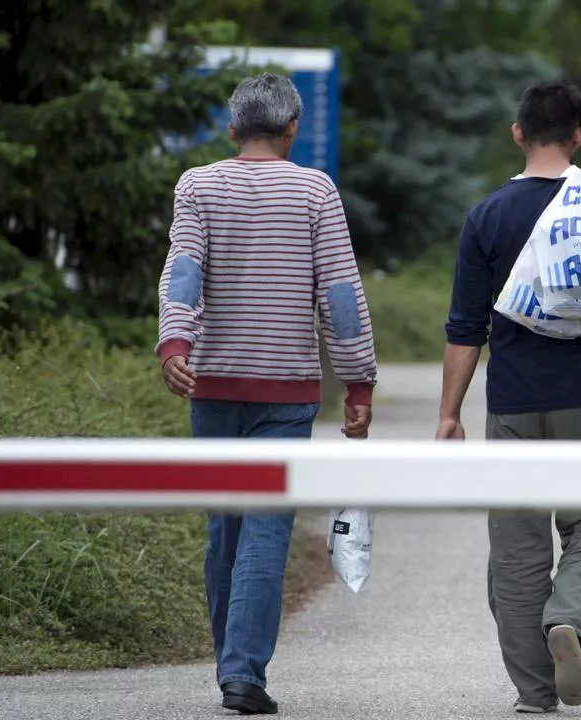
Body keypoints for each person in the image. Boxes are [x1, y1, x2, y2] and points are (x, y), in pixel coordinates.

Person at [156, 72, 377, 715]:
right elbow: (339, 292)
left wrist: (176, 344)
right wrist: (358, 379)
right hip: (286, 389)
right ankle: (242, 672)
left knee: (224, 524)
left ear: (231, 130)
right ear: (291, 130)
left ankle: (233, 662)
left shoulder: (197, 185)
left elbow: (185, 267)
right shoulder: (315, 188)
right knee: (267, 527)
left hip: (213, 385)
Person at [437, 78, 581, 715]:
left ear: (518, 133)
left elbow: (466, 327)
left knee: (518, 544)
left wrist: (449, 413)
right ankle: (571, 624)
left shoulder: (488, 215)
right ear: (580, 134)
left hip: (515, 399)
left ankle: (535, 692)